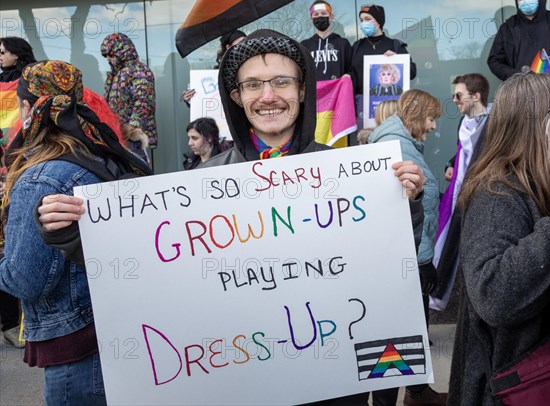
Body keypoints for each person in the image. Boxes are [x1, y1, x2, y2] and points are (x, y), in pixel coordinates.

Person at [36, 31, 427, 406]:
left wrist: (403, 200)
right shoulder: (199, 186)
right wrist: (72, 232)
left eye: (281, 82)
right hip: (239, 378)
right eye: (253, 85)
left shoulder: (351, 175)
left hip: (335, 381)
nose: (268, 96)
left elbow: (389, 258)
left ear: (303, 89)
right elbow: (142, 268)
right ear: (236, 96)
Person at [0, 60, 151, 405]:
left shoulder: (40, 177)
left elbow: (26, 280)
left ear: (26, 107)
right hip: (116, 331)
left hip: (75, 347)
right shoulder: (102, 156)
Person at [448, 72, 550, 405]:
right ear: (538, 127)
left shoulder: (538, 183)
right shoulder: (496, 194)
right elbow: (493, 294)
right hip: (512, 389)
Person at [369, 89, 446, 406]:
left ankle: (416, 392)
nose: (433, 127)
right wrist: (424, 260)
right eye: (430, 118)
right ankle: (403, 397)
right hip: (406, 261)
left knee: (407, 335)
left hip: (406, 257)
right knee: (398, 338)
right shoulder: (396, 147)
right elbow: (408, 210)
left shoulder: (401, 144)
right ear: (416, 116)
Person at [431, 74, 491, 311]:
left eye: (459, 95)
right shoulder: (463, 123)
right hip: (461, 198)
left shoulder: (494, 122)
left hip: (482, 199)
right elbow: (463, 152)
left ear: (476, 97)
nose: (454, 100)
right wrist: (451, 163)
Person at [0, 36, 36, 348]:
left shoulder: (33, 80)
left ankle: (24, 320)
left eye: (2, 52)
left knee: (20, 242)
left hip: (24, 168)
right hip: (2, 173)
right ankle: (9, 321)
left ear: (17, 54)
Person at [351, 4, 417, 123]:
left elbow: (412, 72)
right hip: (364, 107)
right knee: (366, 139)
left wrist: (397, 60)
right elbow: (351, 75)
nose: (363, 23)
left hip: (392, 104)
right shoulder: (356, 47)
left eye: (367, 19)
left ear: (379, 21)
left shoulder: (395, 45)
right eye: (361, 20)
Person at [101, 33, 158, 159]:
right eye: (105, 56)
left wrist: (133, 131)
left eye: (110, 54)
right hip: (119, 135)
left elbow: (143, 102)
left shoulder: (139, 70)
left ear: (122, 52)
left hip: (134, 138)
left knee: (139, 173)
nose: (108, 59)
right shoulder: (116, 74)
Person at [487, 0, 550, 80]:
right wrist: (515, 76)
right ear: (517, 2)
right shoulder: (508, 27)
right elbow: (494, 61)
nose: (526, 0)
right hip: (521, 90)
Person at [181, 29, 246, 104]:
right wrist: (190, 98)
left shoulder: (253, 65)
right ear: (228, 47)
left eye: (246, 41)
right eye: (240, 43)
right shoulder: (217, 72)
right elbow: (207, 98)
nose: (244, 45)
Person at [301, 0, 352, 81]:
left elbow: (352, 69)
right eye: (316, 14)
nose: (320, 17)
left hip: (337, 91)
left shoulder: (343, 43)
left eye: (324, 13)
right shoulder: (304, 45)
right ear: (311, 19)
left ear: (331, 17)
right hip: (314, 92)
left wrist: (349, 76)